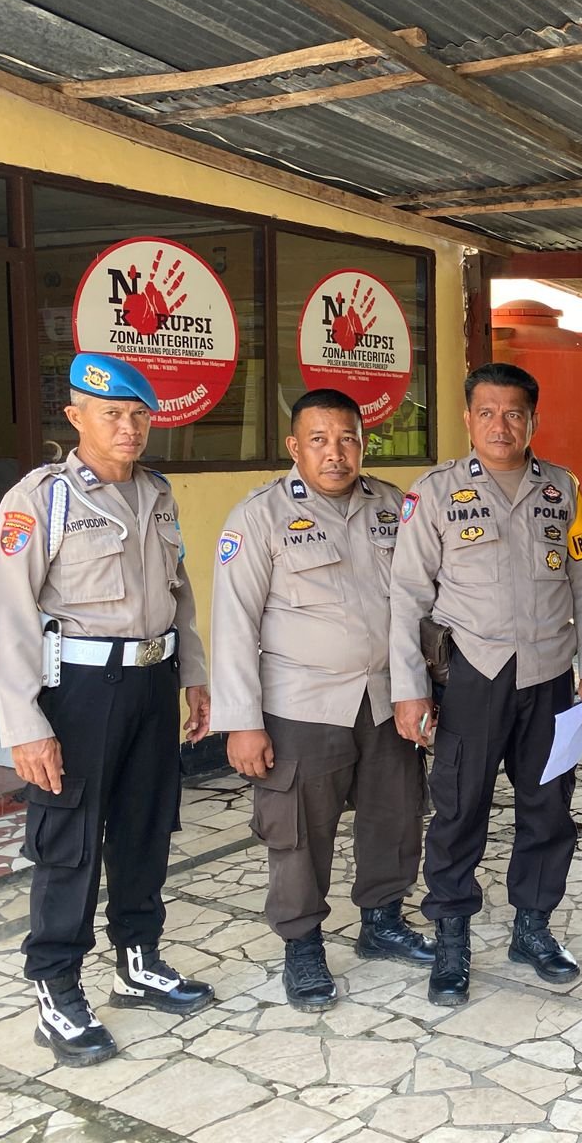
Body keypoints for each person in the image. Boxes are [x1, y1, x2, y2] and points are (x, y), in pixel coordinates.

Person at [0, 354, 213, 1067]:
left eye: (139, 415)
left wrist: (194, 675)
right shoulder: (41, 498)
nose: (128, 428)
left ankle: (137, 963)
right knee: (71, 844)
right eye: (112, 413)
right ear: (75, 416)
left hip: (152, 683)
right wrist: (26, 724)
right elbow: (11, 617)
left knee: (146, 828)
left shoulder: (157, 492)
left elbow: (179, 593)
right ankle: (56, 989)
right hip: (79, 694)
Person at [390, 362, 582, 1006]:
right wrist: (409, 688)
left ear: (532, 420)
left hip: (549, 676)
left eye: (514, 413)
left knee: (549, 809)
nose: (500, 426)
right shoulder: (435, 492)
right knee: (460, 810)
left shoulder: (563, 490)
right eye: (487, 413)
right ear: (468, 419)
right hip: (472, 674)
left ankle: (533, 928)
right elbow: (407, 596)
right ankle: (452, 937)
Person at [212, 388, 432, 1012]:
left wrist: (419, 689)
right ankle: (302, 944)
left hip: (386, 697)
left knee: (395, 814)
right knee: (300, 832)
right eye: (319, 440)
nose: (335, 453)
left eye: (347, 440)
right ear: (294, 446)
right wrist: (241, 722)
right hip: (301, 703)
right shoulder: (259, 516)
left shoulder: (392, 506)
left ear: (363, 444)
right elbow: (233, 623)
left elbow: (416, 604)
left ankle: (382, 920)